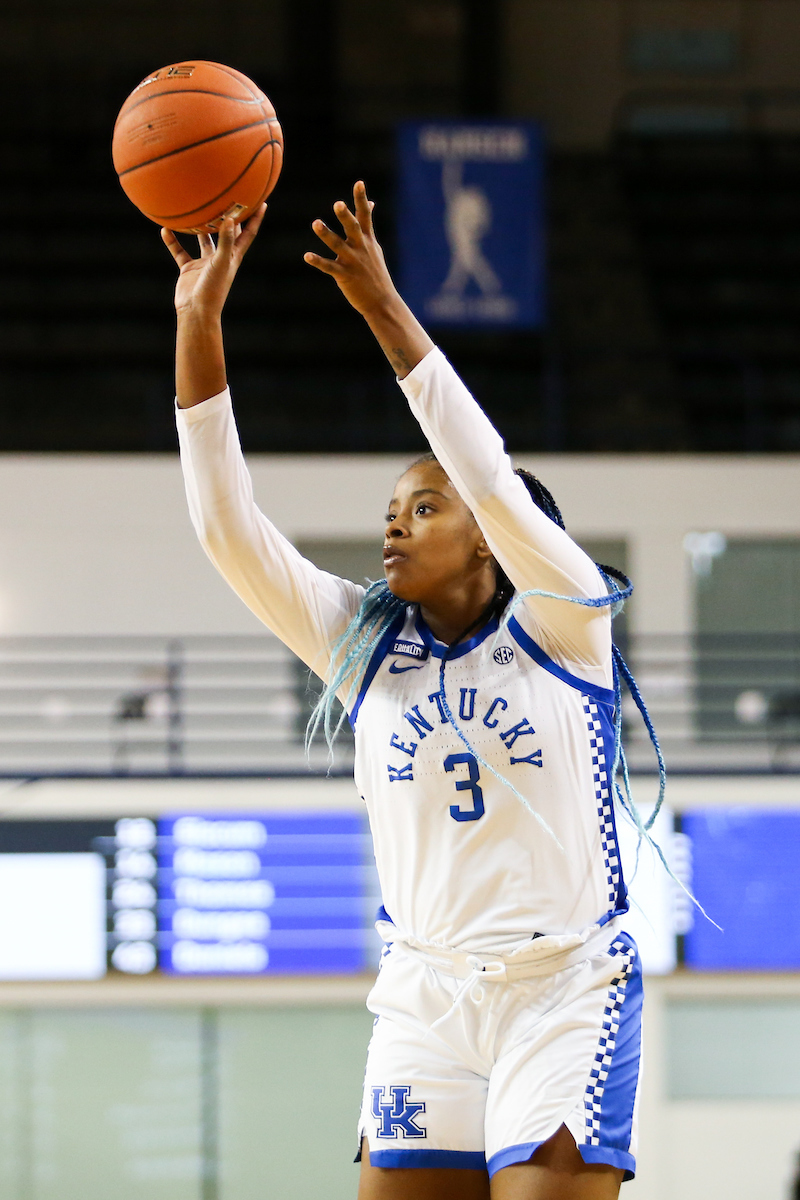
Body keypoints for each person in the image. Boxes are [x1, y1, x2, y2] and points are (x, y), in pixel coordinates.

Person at [163, 183, 642, 1200]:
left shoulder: (565, 618)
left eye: (423, 507)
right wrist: (197, 321)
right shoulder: (364, 643)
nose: (392, 526)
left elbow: (490, 474)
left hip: (560, 992)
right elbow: (224, 527)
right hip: (424, 995)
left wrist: (384, 306)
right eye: (391, 508)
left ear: (487, 535)